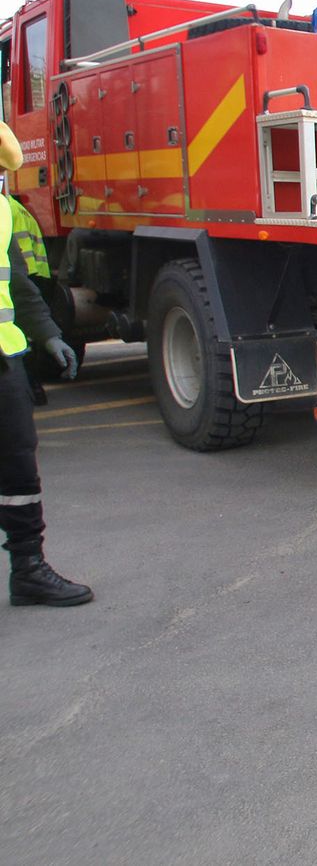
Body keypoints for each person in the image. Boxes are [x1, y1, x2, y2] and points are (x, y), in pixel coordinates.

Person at [0, 121, 91, 607]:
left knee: (18, 464)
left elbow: (18, 284)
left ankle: (28, 569)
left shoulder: (2, 212)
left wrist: (51, 336)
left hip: (5, 357)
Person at [4, 183, 54, 404]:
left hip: (22, 278)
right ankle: (34, 388)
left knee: (24, 341)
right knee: (26, 341)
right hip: (32, 274)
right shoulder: (13, 207)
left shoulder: (7, 209)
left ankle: (33, 387)